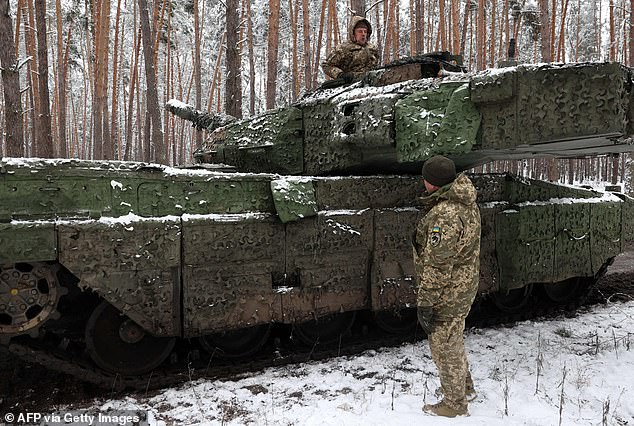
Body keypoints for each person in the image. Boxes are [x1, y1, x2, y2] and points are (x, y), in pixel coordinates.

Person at [413, 155, 481, 418]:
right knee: (454, 338)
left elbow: (438, 265)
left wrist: (426, 301)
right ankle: (465, 388)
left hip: (448, 291)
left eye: (426, 178)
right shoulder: (465, 203)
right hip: (462, 286)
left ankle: (454, 404)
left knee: (444, 346)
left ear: (433, 182)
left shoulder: (446, 214)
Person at [321, 16, 378, 83]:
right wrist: (340, 75)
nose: (363, 34)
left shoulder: (372, 48)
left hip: (370, 82)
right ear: (353, 33)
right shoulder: (343, 48)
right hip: (350, 84)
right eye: (360, 31)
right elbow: (326, 65)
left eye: (365, 32)